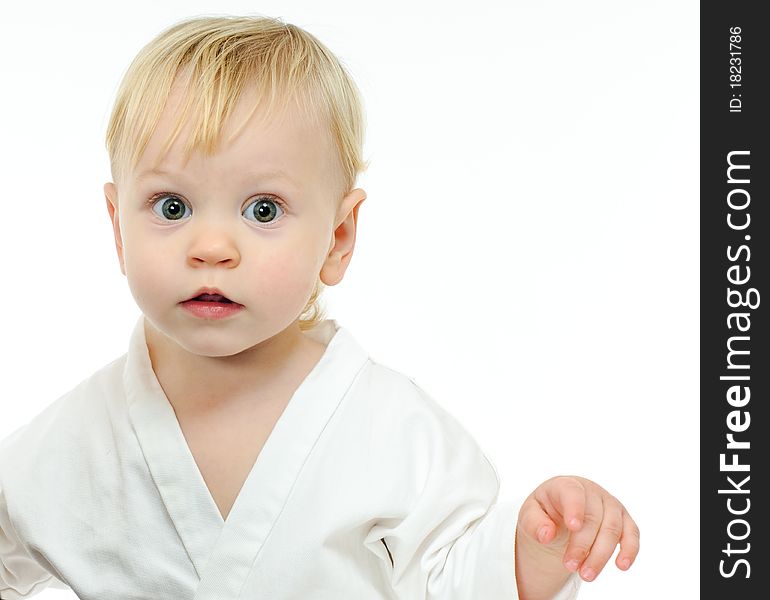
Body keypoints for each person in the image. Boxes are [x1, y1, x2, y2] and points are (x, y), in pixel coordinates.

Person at [0, 14, 639, 600]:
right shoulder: (68, 444)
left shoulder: (392, 428)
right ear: (117, 227)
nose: (212, 248)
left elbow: (455, 577)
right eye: (172, 207)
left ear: (337, 238)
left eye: (263, 210)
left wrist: (534, 552)